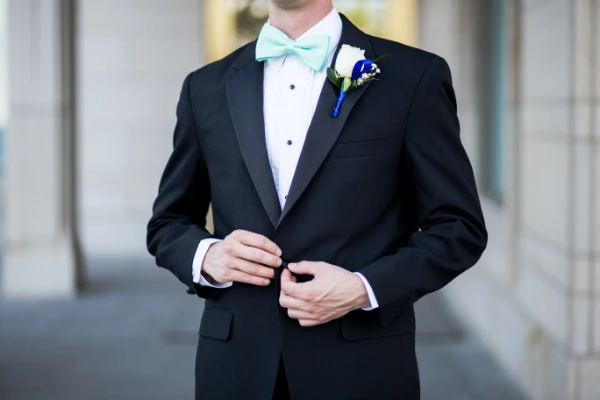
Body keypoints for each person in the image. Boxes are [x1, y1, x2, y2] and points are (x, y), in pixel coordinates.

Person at [147, 0, 487, 398]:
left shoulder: (413, 77)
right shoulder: (203, 87)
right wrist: (208, 256)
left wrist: (364, 287)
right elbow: (167, 223)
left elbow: (459, 228)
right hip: (235, 370)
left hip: (360, 368)